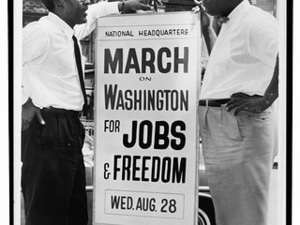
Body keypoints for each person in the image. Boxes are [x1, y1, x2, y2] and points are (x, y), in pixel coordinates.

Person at [22, 0, 151, 225]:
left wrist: (121, 6)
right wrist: (23, 102)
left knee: (74, 211)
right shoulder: (40, 32)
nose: (86, 3)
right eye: (79, 0)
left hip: (69, 128)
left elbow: (92, 14)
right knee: (47, 213)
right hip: (49, 127)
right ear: (61, 3)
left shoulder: (67, 32)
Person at [196, 0, 279, 225]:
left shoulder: (255, 21)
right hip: (228, 125)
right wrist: (207, 31)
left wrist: (267, 97)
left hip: (237, 126)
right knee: (230, 216)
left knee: (244, 218)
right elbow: (227, 68)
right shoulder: (233, 23)